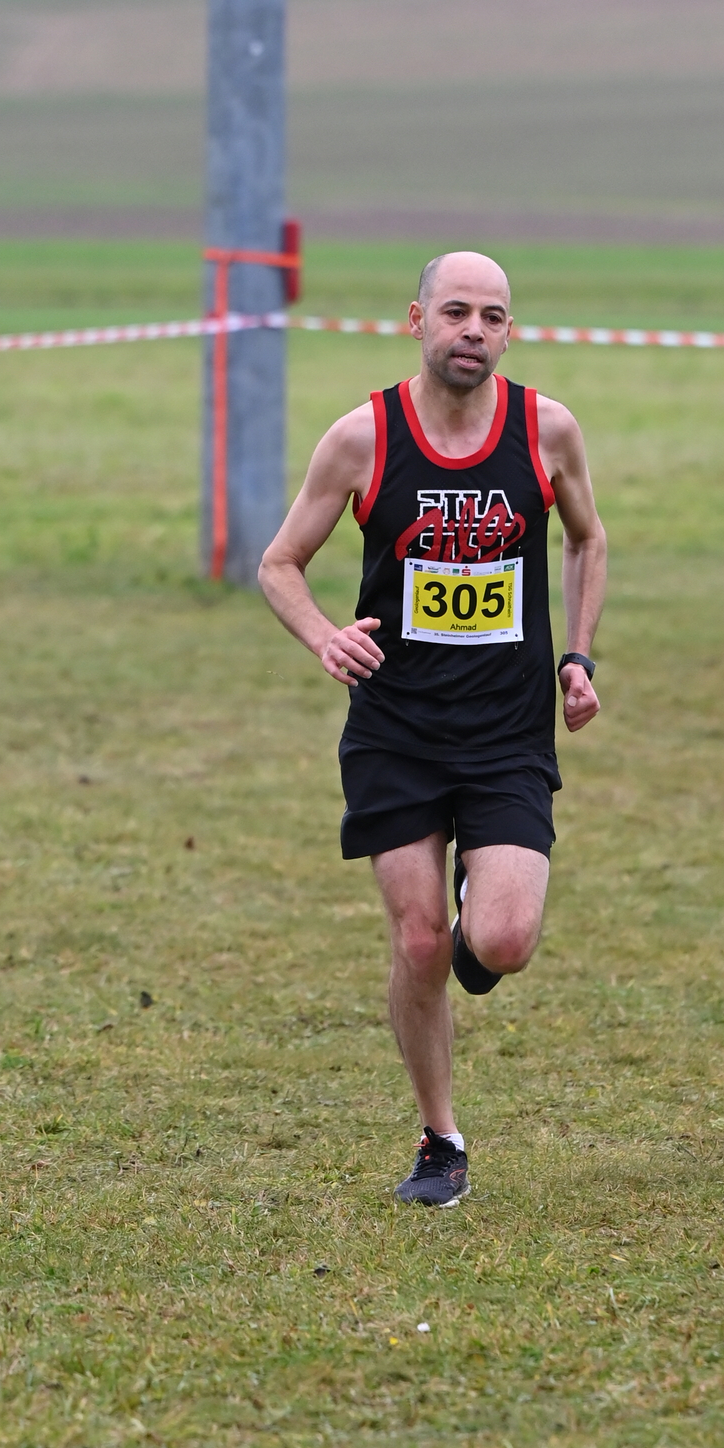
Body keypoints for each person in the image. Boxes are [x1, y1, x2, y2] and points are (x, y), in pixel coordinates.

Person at [259, 253, 607, 1209]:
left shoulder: (547, 430)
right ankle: (440, 1139)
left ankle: (471, 925)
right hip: (397, 731)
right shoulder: (363, 438)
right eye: (455, 312)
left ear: (509, 333)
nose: (473, 331)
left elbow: (587, 538)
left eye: (492, 317)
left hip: (506, 733)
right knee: (418, 945)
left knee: (503, 941)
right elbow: (281, 563)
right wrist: (325, 636)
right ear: (417, 320)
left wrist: (579, 657)